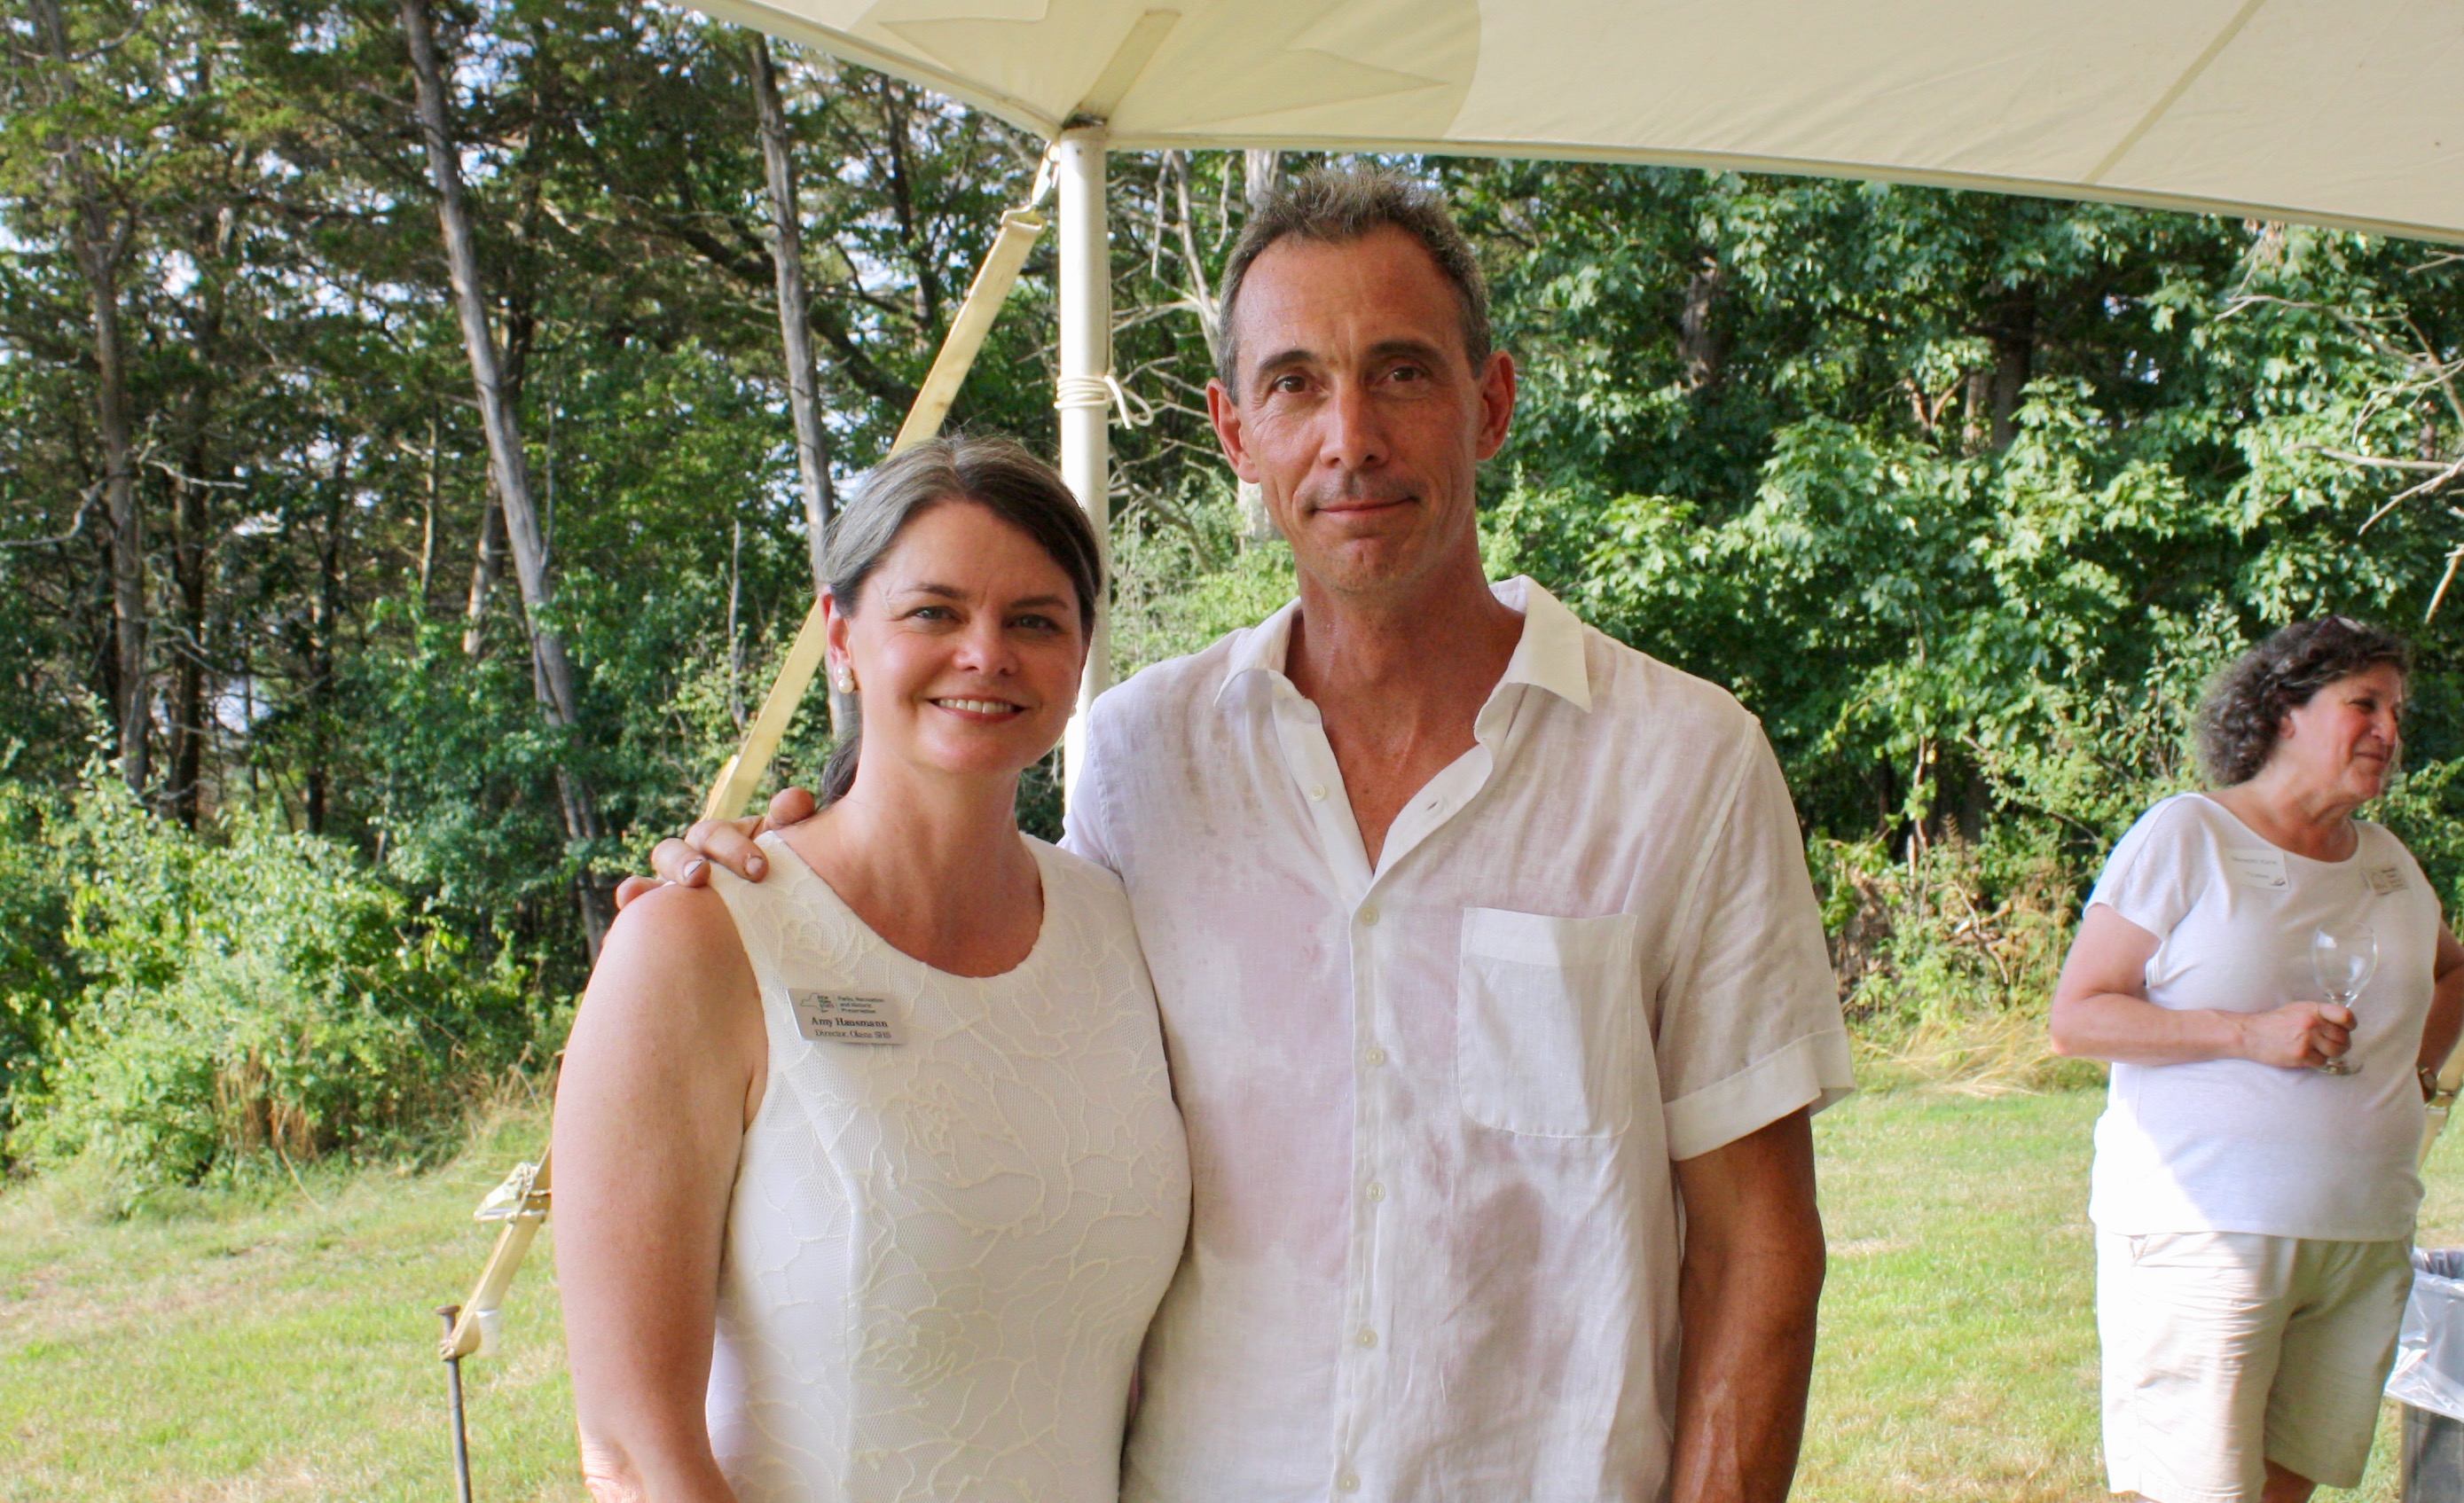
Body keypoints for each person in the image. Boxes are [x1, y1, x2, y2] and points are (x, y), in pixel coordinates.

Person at [642, 168, 1852, 1501]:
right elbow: (977, 960)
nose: (1350, 436)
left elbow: (1758, 1250)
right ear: (1232, 429)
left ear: (1490, 401)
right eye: (1292, 383)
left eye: (1401, 373)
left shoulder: (1681, 763)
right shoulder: (1143, 758)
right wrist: (789, 880)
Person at [555, 435, 1189, 1503]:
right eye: (934, 612)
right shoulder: (699, 945)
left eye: (1033, 620)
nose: (985, 653)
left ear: (1080, 656)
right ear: (840, 638)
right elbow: (631, 1451)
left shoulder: (1117, 922)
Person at [2051, 617, 2464, 1503]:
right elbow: (2078, 1017)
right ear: (2285, 713)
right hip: (2207, 1232)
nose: (2390, 733)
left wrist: (2424, 1082)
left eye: (2397, 710)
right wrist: (2246, 1033)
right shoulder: (2188, 836)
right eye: (2365, 705)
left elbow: (2454, 973)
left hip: (2361, 1237)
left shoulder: (2388, 862)